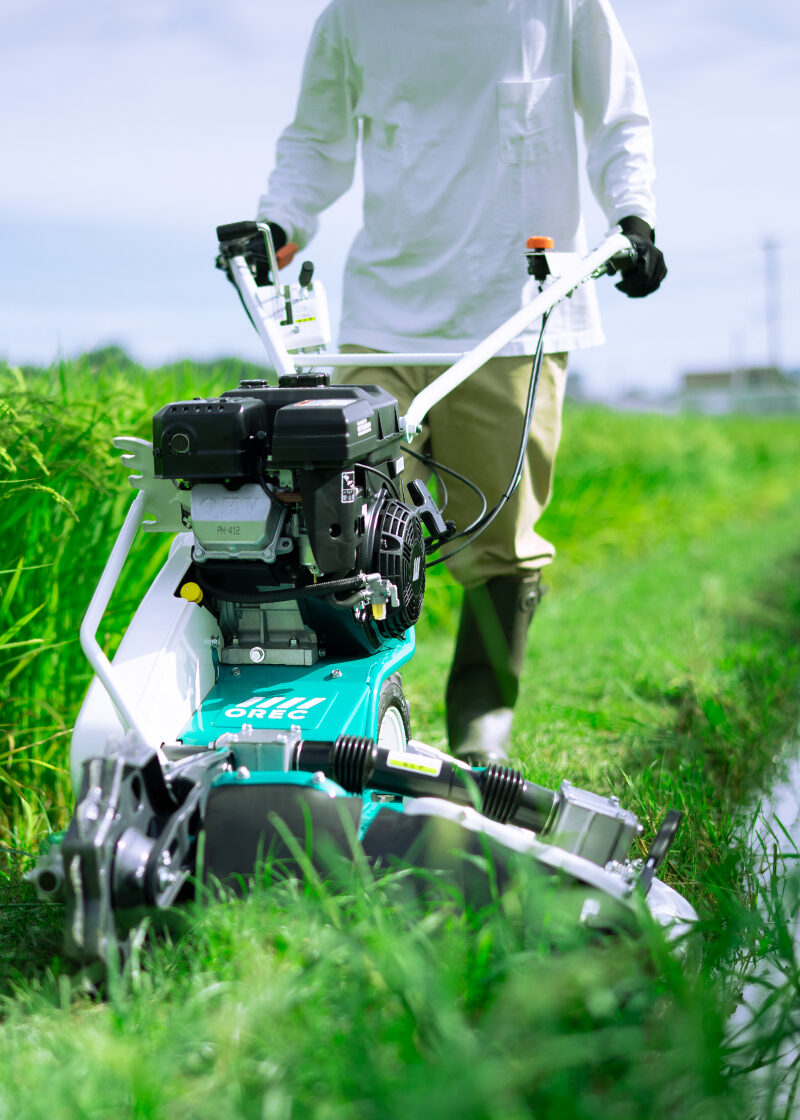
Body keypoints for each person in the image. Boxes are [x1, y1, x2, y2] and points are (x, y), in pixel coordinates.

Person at [255, 0, 666, 765]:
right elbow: (315, 139)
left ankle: (483, 734)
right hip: (385, 314)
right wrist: (279, 221)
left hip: (517, 312)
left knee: (503, 542)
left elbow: (619, 117)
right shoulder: (354, 15)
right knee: (345, 527)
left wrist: (634, 216)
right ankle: (354, 725)